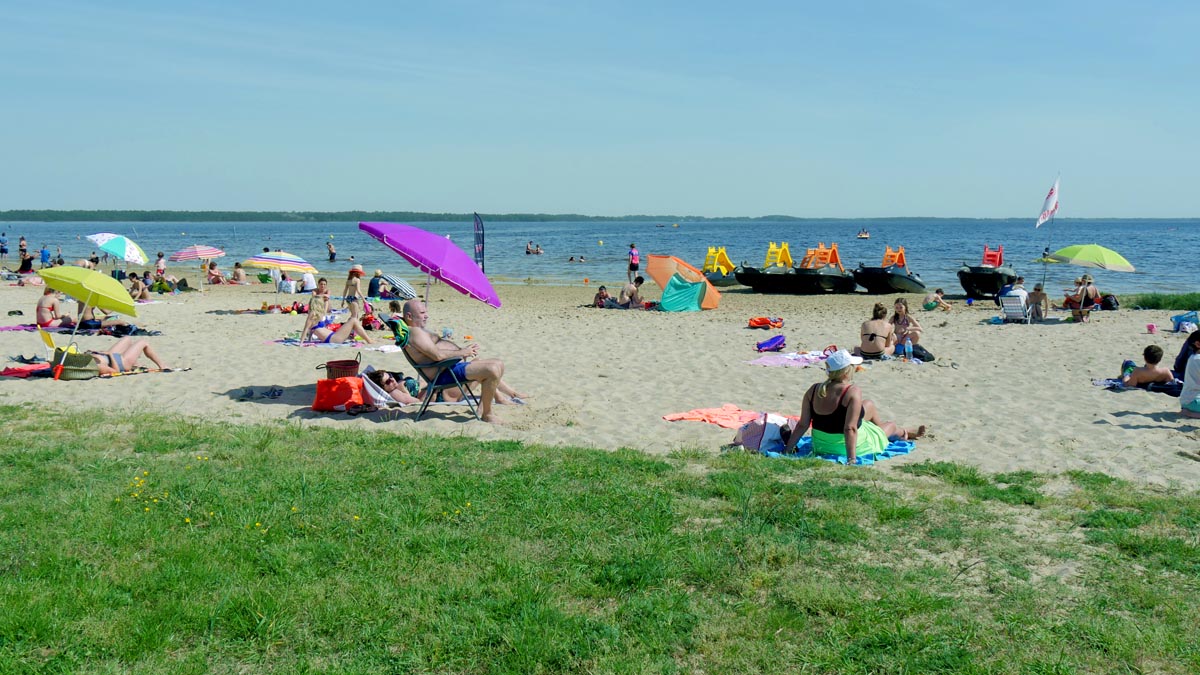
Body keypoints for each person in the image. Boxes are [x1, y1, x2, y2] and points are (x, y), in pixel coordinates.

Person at [782, 349, 925, 465]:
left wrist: (788, 449)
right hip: (845, 447)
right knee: (891, 425)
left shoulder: (813, 390)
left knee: (868, 405)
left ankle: (882, 430)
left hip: (820, 446)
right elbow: (850, 428)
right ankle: (903, 433)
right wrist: (852, 459)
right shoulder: (852, 391)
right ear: (846, 371)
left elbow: (803, 424)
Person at [400, 299, 527, 424]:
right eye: (422, 313)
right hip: (443, 374)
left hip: (448, 368)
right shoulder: (414, 332)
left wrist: (460, 351)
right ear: (409, 316)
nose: (426, 316)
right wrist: (462, 352)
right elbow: (437, 355)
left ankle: (489, 405)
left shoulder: (414, 331)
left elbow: (434, 352)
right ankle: (487, 415)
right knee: (491, 369)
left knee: (498, 364)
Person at [87, 337, 168, 375]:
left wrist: (93, 353)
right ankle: (162, 365)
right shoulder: (98, 366)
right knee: (143, 342)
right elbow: (116, 371)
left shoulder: (85, 361)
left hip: (111, 357)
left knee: (127, 339)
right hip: (122, 362)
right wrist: (110, 354)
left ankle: (135, 363)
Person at [1180, 336, 1200, 419]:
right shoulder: (1198, 359)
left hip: (1187, 399)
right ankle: (1190, 413)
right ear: (1198, 344)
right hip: (1193, 400)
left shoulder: (1193, 357)